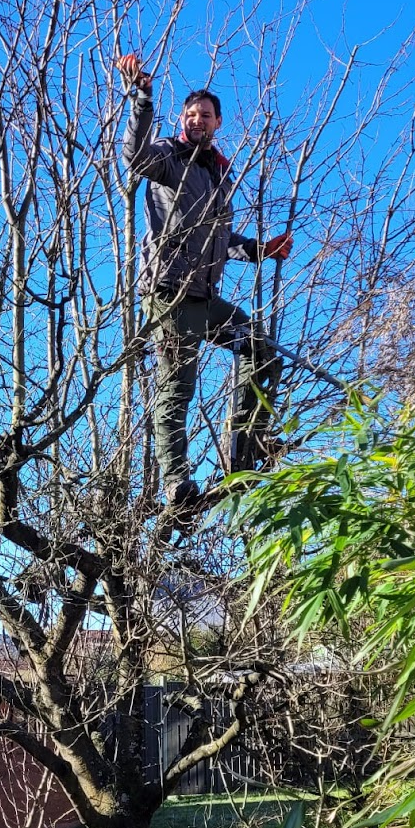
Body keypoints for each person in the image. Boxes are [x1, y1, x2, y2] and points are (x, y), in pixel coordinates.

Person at [118, 54, 291, 508]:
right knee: (177, 390)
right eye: (191, 114)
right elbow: (134, 157)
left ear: (218, 123)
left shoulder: (218, 173)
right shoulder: (169, 157)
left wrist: (260, 249)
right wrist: (141, 98)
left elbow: (219, 239)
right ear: (182, 120)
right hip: (170, 294)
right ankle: (177, 484)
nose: (197, 120)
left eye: (206, 115)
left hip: (205, 297)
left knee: (260, 348)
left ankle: (248, 445)